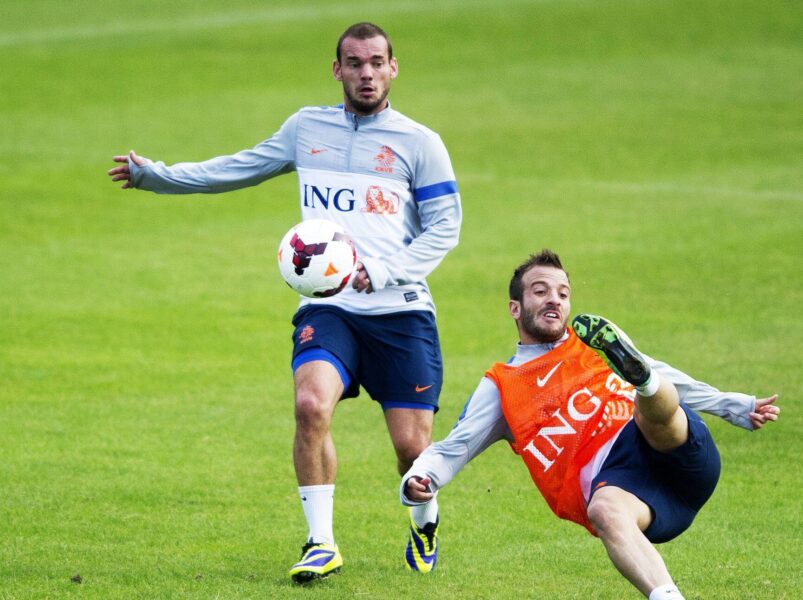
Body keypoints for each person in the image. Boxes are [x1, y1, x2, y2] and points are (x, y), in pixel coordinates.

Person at [108, 22, 461, 583]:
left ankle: (424, 521)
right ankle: (321, 542)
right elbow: (239, 167)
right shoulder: (307, 128)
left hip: (401, 310)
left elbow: (445, 228)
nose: (365, 73)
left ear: (393, 68)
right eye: (354, 62)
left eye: (375, 62)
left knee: (412, 449)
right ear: (336, 69)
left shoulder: (420, 143)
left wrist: (384, 269)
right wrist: (159, 177)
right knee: (310, 406)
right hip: (329, 306)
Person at [401, 249, 779, 599]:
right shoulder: (503, 385)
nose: (555, 299)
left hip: (665, 446)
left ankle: (641, 379)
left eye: (563, 293)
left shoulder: (591, 342)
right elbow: (458, 446)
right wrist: (422, 480)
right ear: (514, 308)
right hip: (626, 491)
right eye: (541, 291)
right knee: (604, 510)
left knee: (652, 406)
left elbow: (673, 380)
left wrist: (734, 406)